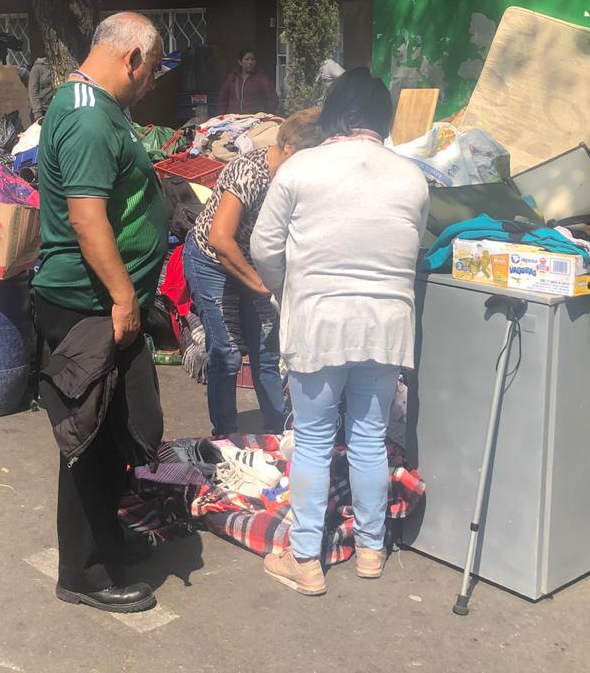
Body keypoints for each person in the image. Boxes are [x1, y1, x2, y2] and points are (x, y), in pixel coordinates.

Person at [251, 69, 429, 596]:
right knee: (369, 438)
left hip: (319, 324)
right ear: (383, 121)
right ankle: (372, 550)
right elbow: (411, 245)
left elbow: (264, 247)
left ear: (335, 115)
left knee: (312, 439)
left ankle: (305, 559)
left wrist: (287, 291)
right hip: (386, 327)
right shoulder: (412, 177)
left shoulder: (302, 168)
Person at [31, 12, 170, 614]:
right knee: (87, 438)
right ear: (132, 57)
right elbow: (88, 220)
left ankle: (107, 540)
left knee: (119, 431)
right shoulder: (88, 115)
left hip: (109, 301)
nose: (153, 82)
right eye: (154, 68)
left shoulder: (95, 104)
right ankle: (82, 573)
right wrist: (121, 296)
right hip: (89, 304)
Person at [183, 108, 326, 436]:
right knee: (228, 352)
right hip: (212, 260)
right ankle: (226, 435)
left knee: (266, 350)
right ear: (288, 147)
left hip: (253, 263)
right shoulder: (250, 171)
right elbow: (220, 238)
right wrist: (261, 287)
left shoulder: (297, 180)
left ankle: (278, 430)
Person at [217, 48, 279, 115]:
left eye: (253, 59)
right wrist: (222, 115)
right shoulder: (233, 77)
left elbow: (273, 99)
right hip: (233, 119)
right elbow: (223, 98)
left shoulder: (262, 78)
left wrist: (267, 115)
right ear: (240, 62)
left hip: (255, 119)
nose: (250, 62)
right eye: (247, 59)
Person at [28, 54, 55, 122]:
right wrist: (38, 114)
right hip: (42, 110)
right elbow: (33, 91)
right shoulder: (38, 67)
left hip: (56, 110)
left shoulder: (63, 66)